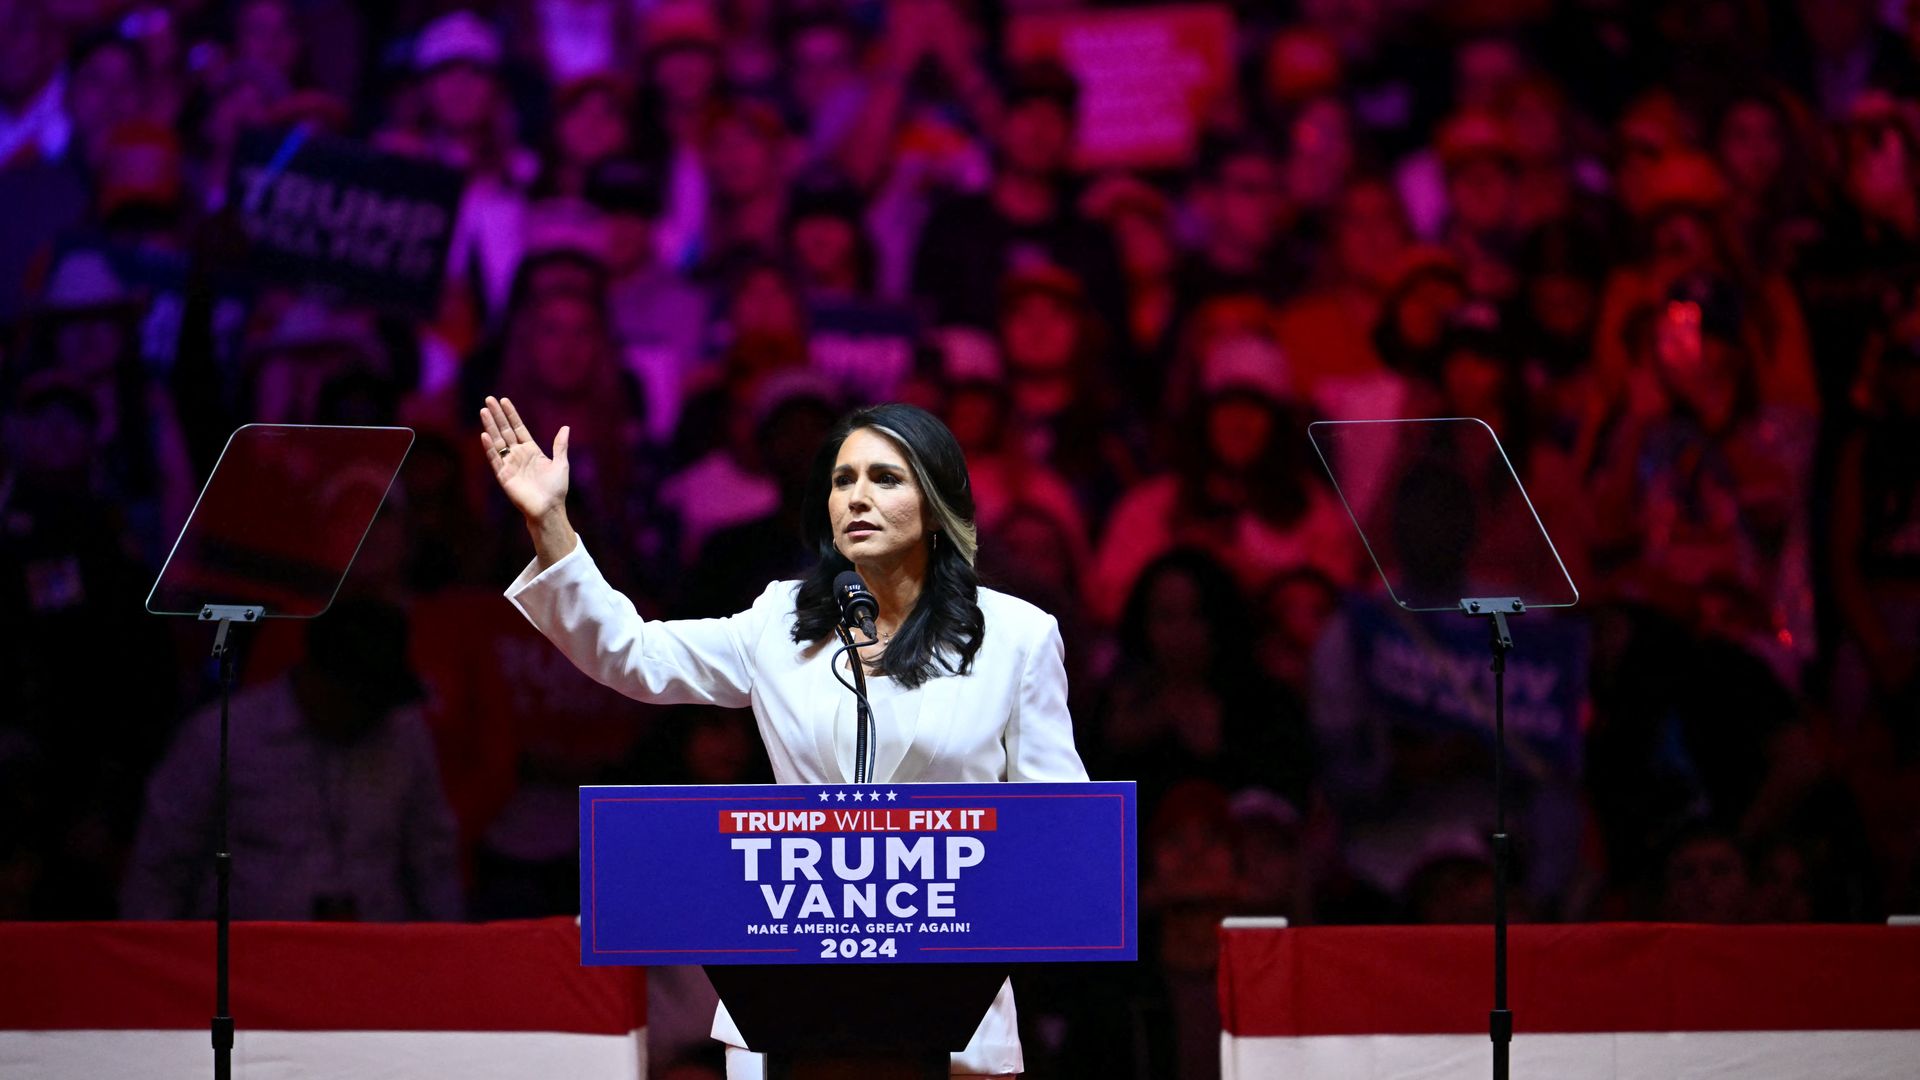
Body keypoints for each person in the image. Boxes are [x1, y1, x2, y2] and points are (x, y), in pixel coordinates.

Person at [478, 394, 1085, 1079]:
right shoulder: (782, 620)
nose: (856, 496)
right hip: (787, 991)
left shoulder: (1017, 638)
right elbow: (632, 656)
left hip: (951, 1006)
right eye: (842, 480)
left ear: (939, 500)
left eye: (884, 478)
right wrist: (551, 521)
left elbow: (1059, 830)